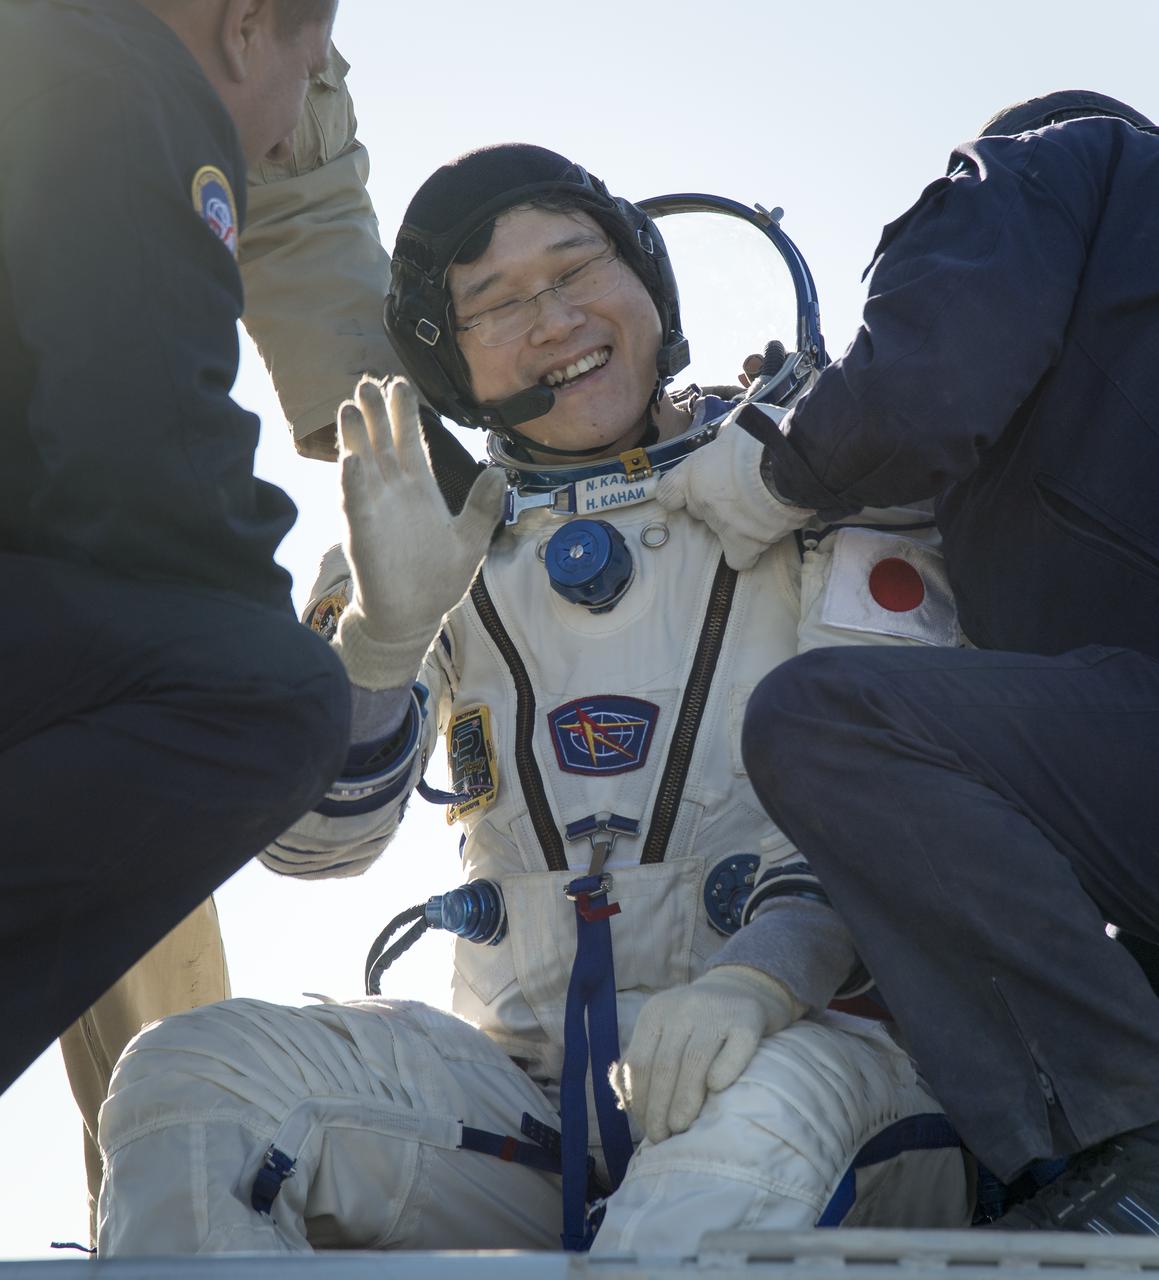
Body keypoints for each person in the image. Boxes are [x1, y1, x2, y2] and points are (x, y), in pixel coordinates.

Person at [96, 144, 974, 1258]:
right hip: (527, 1089)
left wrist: (762, 979)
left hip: (823, 1050)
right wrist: (382, 640)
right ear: (448, 364)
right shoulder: (411, 536)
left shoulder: (820, 486)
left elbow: (915, 809)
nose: (553, 318)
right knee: (191, 1076)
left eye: (574, 269)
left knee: (723, 1159)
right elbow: (311, 850)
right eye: (496, 302)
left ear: (649, 280)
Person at [658, 91, 1159, 1233]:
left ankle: (1119, 1153)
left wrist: (776, 467)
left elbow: (926, 386)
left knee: (831, 722)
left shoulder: (1048, 165)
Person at [55, 36, 407, 1241]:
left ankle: (149, 1222)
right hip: (72, 541)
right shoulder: (100, 77)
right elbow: (126, 410)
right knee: (226, 698)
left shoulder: (276, 68)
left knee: (176, 1058)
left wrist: (397, 438)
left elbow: (303, 194)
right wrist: (296, 655)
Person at [0, 0, 354, 1096]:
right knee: (263, 692)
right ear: (246, 27)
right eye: (311, 74)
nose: (293, 139)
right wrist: (278, 605)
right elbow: (138, 439)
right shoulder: (130, 85)